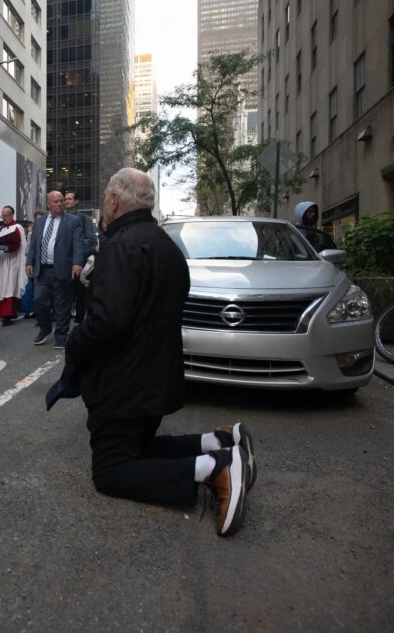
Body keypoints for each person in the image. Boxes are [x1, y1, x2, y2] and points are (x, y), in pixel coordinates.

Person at [63, 167, 255, 537]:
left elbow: (107, 320)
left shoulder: (122, 246)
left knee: (112, 470)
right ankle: (217, 441)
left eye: (105, 199)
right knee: (139, 447)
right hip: (154, 380)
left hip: (123, 384)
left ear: (115, 201)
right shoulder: (166, 244)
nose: (104, 206)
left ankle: (216, 468)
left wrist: (75, 343)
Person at [25, 191, 85, 349]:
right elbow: (35, 244)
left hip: (63, 269)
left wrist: (77, 263)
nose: (60, 204)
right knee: (39, 300)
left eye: (61, 201)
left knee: (62, 304)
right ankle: (45, 328)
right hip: (42, 269)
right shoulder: (40, 222)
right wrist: (29, 262)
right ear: (48, 204)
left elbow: (78, 243)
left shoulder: (73, 221)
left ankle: (61, 334)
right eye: (56, 202)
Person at [0, 205, 27, 326]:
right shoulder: (0, 228)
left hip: (12, 261)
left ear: (12, 215)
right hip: (0, 261)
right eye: (2, 216)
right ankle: (7, 313)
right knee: (0, 286)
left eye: (5, 216)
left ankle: (7, 315)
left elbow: (17, 246)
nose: (3, 218)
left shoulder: (17, 227)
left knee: (9, 287)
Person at [64, 191, 98, 323]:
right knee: (65, 292)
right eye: (65, 199)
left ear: (76, 201)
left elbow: (91, 241)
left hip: (80, 260)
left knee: (80, 292)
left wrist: (75, 243)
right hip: (64, 261)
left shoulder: (83, 219)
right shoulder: (61, 218)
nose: (66, 201)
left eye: (70, 199)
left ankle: (79, 318)